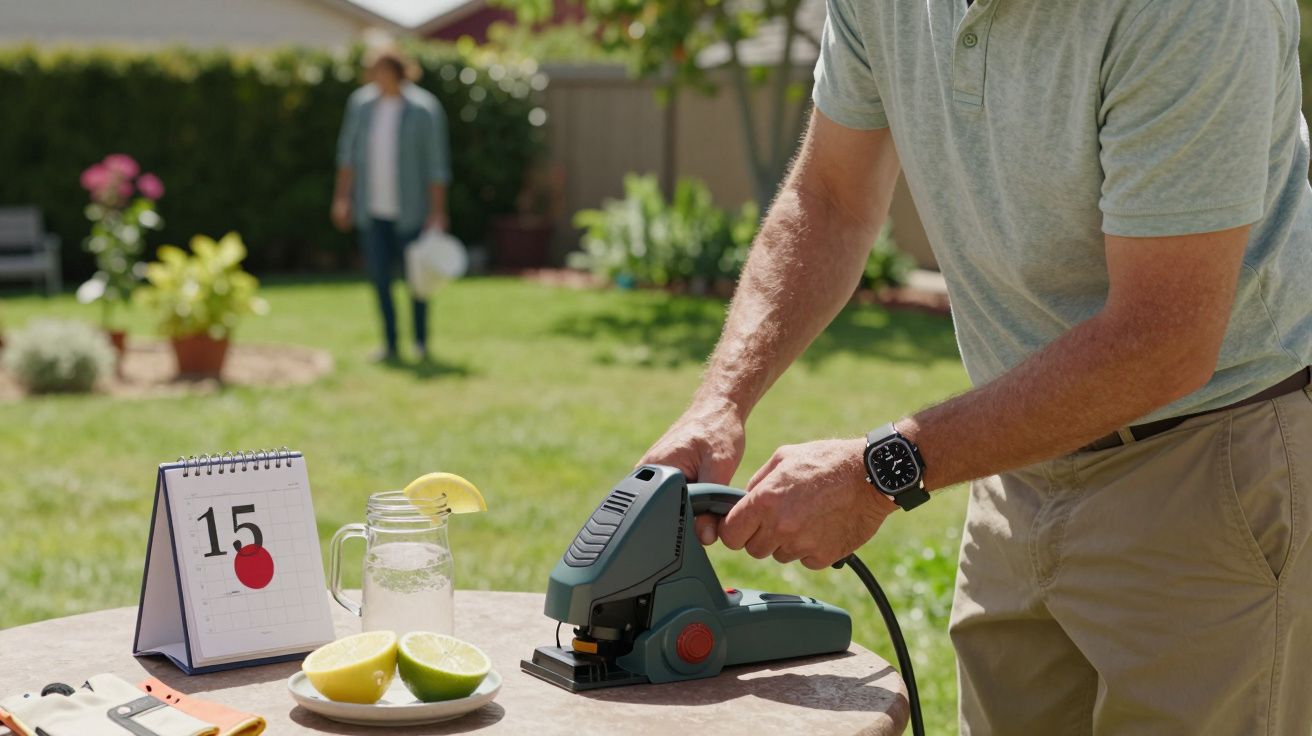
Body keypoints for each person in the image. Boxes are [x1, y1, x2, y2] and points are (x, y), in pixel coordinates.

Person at [640, 0, 1312, 732]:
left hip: (1207, 472)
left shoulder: (1194, 13)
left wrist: (878, 470)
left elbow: (1165, 337)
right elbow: (831, 199)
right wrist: (721, 400)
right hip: (1017, 466)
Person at [332, 47, 451, 362]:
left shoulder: (423, 108)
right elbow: (347, 155)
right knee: (380, 280)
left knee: (417, 280)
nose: (377, 77)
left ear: (398, 71)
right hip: (371, 210)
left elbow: (436, 164)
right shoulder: (361, 105)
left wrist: (438, 212)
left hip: (411, 212)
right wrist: (342, 198)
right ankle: (390, 344)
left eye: (382, 70)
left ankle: (421, 343)